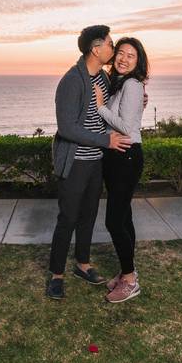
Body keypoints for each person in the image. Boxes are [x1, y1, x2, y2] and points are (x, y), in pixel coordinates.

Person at [46, 25, 133, 300]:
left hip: (95, 163)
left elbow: (111, 107)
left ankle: (82, 264)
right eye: (110, 43)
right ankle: (56, 275)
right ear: (96, 49)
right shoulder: (72, 81)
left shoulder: (103, 80)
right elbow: (67, 128)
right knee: (68, 218)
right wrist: (107, 142)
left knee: (88, 216)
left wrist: (139, 98)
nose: (113, 47)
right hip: (75, 164)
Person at [94, 37, 148, 303]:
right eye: (121, 53)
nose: (124, 59)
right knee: (124, 216)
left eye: (131, 56)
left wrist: (100, 106)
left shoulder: (133, 85)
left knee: (113, 220)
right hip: (116, 157)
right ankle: (129, 272)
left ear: (139, 62)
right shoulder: (120, 83)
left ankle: (129, 279)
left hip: (126, 156)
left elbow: (126, 127)